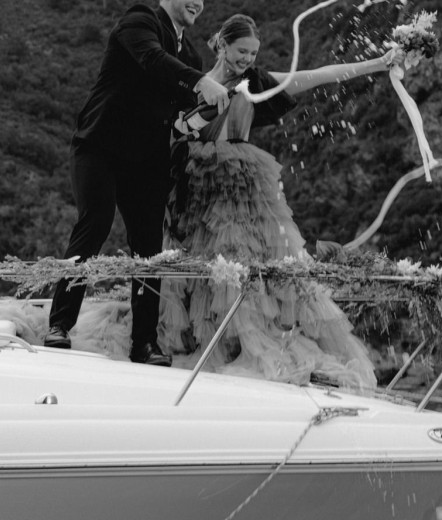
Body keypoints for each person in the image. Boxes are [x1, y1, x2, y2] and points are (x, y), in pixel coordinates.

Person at [160, 14, 404, 389]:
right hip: (195, 183)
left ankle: (246, 343)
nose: (247, 59)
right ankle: (200, 341)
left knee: (247, 258)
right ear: (222, 45)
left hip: (240, 185)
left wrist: (376, 64)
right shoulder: (196, 82)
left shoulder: (255, 83)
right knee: (203, 262)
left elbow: (315, 75)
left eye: (253, 53)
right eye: (242, 51)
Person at [44, 0, 230, 367]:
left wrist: (194, 118)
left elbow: (179, 112)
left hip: (146, 160)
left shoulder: (191, 54)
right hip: (100, 146)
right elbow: (153, 59)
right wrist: (200, 80)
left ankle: (144, 343)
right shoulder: (139, 20)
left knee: (148, 246)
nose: (197, 2)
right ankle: (60, 324)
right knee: (95, 222)